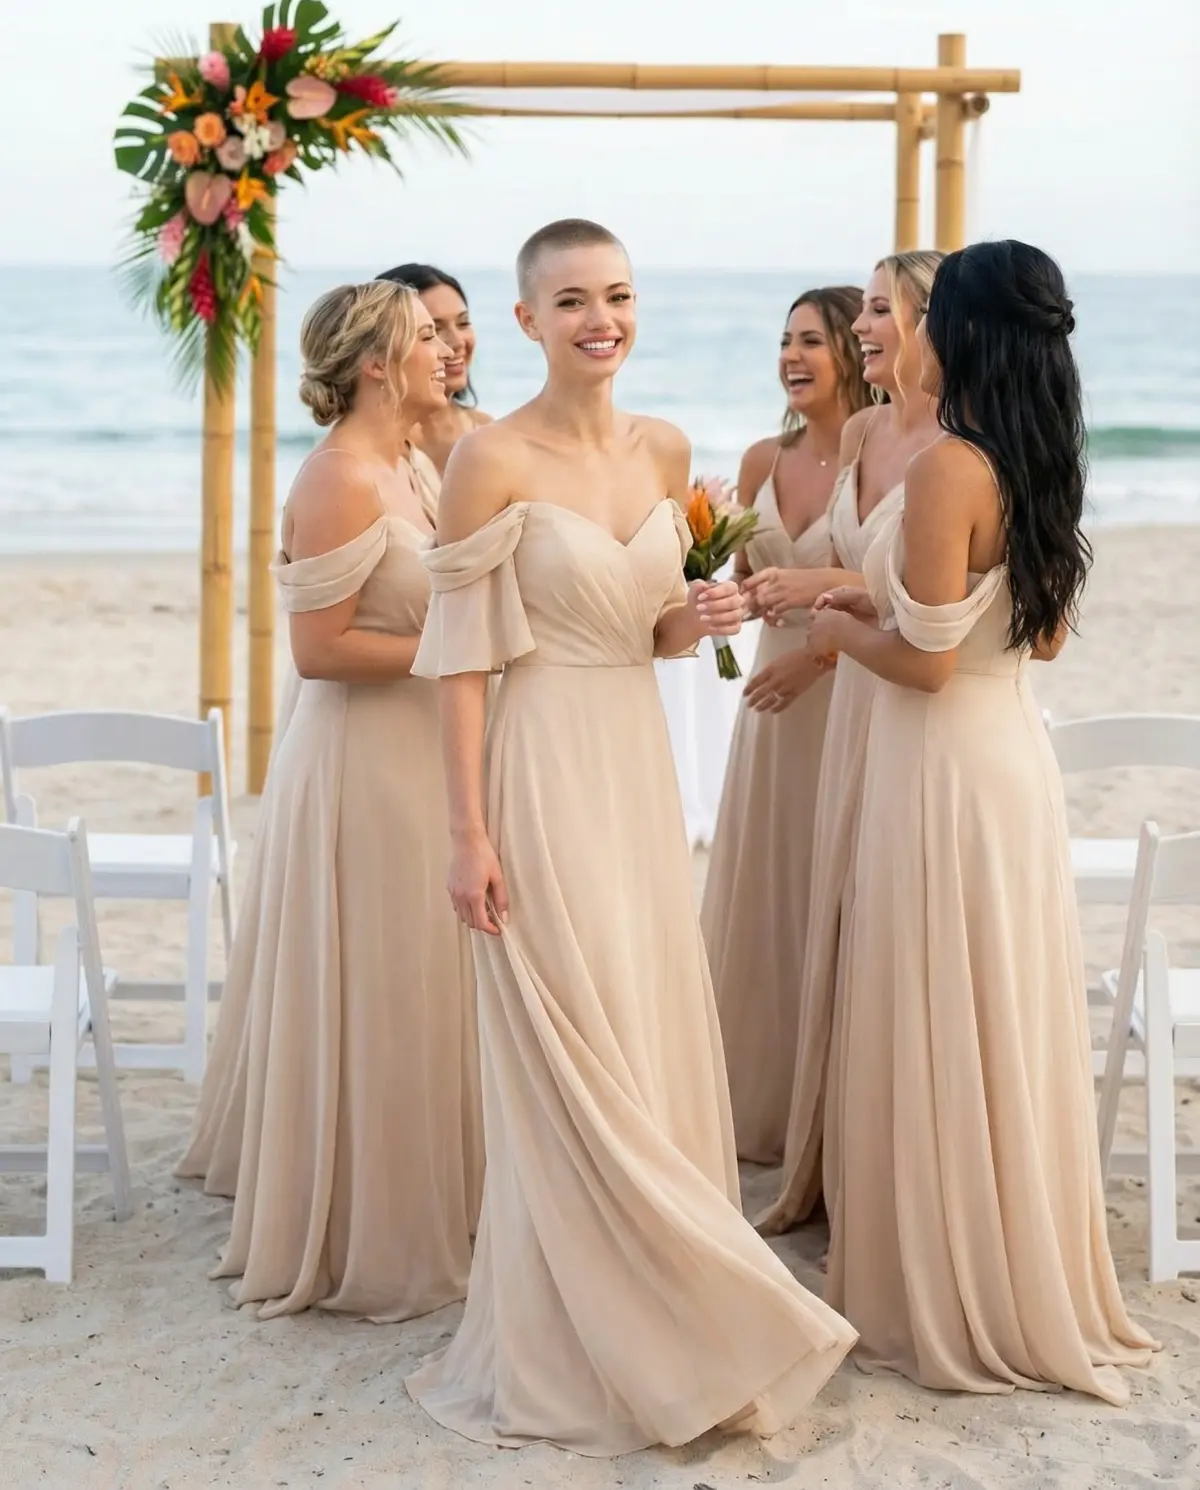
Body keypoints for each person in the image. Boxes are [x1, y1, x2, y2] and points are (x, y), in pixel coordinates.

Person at [405, 219, 856, 1456]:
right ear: (525, 322)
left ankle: (680, 1309)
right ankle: (582, 1333)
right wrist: (467, 832)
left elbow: (651, 624)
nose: (599, 318)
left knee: (645, 1019)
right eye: (569, 300)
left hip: (635, 768)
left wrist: (693, 613)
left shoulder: (668, 449)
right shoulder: (487, 460)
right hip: (541, 761)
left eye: (616, 295)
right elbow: (460, 662)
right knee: (572, 1032)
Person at [807, 239, 1158, 1400]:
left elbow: (922, 662)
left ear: (960, 331)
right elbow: (1035, 636)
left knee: (927, 1000)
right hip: (1011, 760)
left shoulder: (951, 463)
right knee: (991, 1008)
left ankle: (933, 1275)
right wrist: (857, 594)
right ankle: (1007, 1251)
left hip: (938, 764)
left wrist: (827, 633)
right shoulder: (1040, 455)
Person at [177, 280, 483, 1320]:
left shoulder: (413, 462)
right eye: (425, 338)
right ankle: (364, 1226)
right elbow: (320, 648)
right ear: (375, 365)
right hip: (361, 765)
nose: (447, 349)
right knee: (380, 979)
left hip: (418, 752)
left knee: (421, 984)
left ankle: (425, 1193)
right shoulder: (342, 477)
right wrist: (459, 654)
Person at [757, 251, 943, 1234]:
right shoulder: (860, 432)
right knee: (821, 909)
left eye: (875, 311)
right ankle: (821, 1138)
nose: (862, 328)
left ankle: (890, 1159)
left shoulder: (955, 451)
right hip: (836, 696)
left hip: (886, 695)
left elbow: (939, 619)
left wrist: (824, 631)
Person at [701, 286, 870, 1164]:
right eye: (784, 341)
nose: (792, 356)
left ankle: (832, 1110)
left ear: (852, 349)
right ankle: (760, 1103)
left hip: (846, 694)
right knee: (768, 891)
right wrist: (715, 588)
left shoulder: (879, 460)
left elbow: (898, 592)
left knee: (838, 893)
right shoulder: (762, 457)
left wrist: (816, 660)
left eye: (812, 340)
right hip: (769, 706)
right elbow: (738, 571)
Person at [377, 263, 492, 473]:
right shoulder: (374, 448)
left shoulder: (488, 432)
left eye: (463, 323)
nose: (456, 342)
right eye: (433, 331)